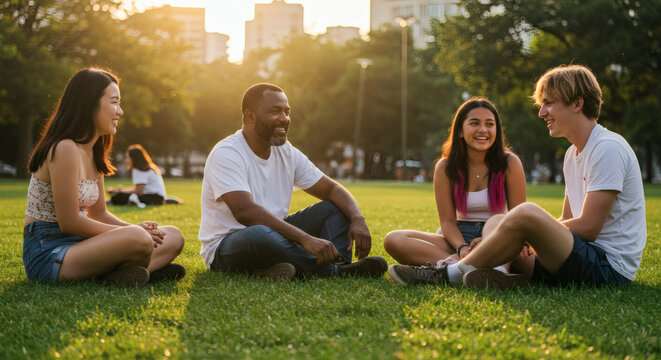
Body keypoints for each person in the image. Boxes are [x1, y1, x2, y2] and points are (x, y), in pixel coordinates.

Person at [389, 65, 646, 289]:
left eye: (549, 103)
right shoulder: (573, 154)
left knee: (523, 214)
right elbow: (567, 222)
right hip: (575, 257)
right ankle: (492, 273)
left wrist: (521, 231)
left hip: (606, 267)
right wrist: (511, 236)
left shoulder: (607, 147)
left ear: (577, 103)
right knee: (505, 223)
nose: (541, 112)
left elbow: (589, 227)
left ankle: (449, 274)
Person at [199, 83, 387, 280]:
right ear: (250, 116)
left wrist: (358, 219)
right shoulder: (227, 153)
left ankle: (335, 263)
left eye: (287, 112)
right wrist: (305, 239)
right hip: (228, 246)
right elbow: (244, 212)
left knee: (336, 207)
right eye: (275, 111)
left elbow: (331, 188)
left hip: (273, 234)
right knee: (259, 234)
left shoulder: (286, 152)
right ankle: (335, 272)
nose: (285, 119)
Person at [23, 68, 186, 287]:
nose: (120, 111)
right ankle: (129, 271)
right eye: (114, 102)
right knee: (138, 239)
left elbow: (99, 213)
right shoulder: (65, 148)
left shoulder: (94, 151)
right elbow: (69, 222)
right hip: (49, 251)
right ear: (89, 104)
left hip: (83, 244)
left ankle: (119, 275)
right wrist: (133, 233)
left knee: (173, 236)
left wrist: (137, 227)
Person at [384, 98, 527, 273]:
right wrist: (463, 248)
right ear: (460, 130)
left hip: (497, 233)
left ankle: (485, 270)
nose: (483, 130)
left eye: (490, 124)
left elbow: (518, 217)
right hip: (458, 236)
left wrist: (488, 243)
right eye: (474, 123)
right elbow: (447, 222)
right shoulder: (445, 167)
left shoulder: (509, 162)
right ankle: (464, 266)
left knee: (501, 226)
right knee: (394, 239)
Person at [107, 144, 172, 207]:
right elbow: (138, 189)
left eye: (127, 157)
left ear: (134, 158)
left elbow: (138, 191)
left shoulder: (139, 170)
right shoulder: (148, 167)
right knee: (121, 195)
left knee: (118, 197)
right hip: (158, 198)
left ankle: (117, 201)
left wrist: (119, 191)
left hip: (154, 198)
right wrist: (121, 190)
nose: (126, 160)